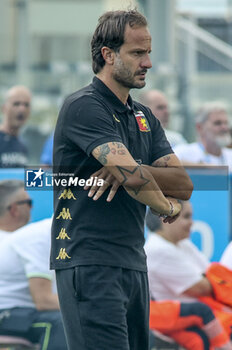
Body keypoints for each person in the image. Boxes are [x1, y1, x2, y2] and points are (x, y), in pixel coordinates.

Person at [51, 9, 193, 350]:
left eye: (148, 53)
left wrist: (133, 169)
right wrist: (166, 206)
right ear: (108, 55)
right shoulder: (84, 106)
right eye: (137, 53)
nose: (147, 63)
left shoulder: (143, 116)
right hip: (88, 260)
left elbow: (184, 183)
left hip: (132, 261)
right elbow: (143, 182)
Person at [145, 201, 232, 341]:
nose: (192, 223)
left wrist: (213, 279)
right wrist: (214, 279)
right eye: (186, 217)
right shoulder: (157, 249)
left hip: (207, 315)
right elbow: (203, 288)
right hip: (186, 324)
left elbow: (211, 274)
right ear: (165, 217)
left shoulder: (182, 243)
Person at [0, 217, 68, 350]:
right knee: (62, 322)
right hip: (6, 313)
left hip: (27, 312)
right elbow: (44, 301)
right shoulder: (39, 239)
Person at [174, 102, 232, 170]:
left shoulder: (230, 155)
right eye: (217, 123)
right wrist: (203, 167)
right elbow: (164, 164)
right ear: (200, 127)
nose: (224, 127)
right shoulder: (184, 152)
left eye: (226, 123)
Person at [0, 85, 31, 168]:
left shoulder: (23, 146)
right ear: (4, 108)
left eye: (26, 105)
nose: (22, 109)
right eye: (16, 104)